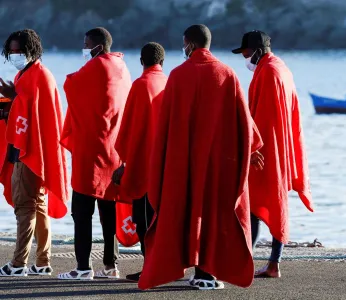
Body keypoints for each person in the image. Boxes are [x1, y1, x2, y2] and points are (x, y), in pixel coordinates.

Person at [138, 24, 264, 291]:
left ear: (190, 44)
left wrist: (161, 161)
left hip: (183, 162)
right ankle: (207, 272)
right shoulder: (228, 74)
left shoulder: (178, 76)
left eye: (184, 44)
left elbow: (165, 127)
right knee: (214, 213)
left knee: (184, 212)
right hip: (220, 162)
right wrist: (249, 151)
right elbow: (244, 121)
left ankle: (195, 269)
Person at [232, 30, 314, 278]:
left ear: (257, 50)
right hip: (280, 146)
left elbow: (264, 119)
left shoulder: (268, 72)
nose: (244, 57)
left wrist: (253, 147)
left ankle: (251, 262)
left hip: (267, 150)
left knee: (254, 203)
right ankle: (272, 262)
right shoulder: (280, 67)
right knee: (272, 202)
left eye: (246, 52)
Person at [57, 27, 131, 280]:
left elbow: (71, 84)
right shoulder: (122, 67)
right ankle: (111, 266)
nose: (84, 47)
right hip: (114, 151)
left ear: (98, 46)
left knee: (81, 212)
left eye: (87, 43)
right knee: (108, 210)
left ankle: (83, 267)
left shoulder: (97, 65)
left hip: (92, 151)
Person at [0, 29, 69, 276]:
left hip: (30, 151)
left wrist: (12, 97)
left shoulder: (36, 75)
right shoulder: (27, 73)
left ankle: (18, 264)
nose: (15, 54)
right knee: (37, 205)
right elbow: (29, 109)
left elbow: (32, 112)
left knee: (24, 207)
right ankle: (42, 261)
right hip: (30, 148)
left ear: (32, 49)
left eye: (19, 50)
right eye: (12, 51)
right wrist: (10, 101)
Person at [112, 42, 168, 282]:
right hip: (166, 164)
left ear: (141, 61)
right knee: (163, 219)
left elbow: (129, 129)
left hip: (144, 166)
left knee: (144, 222)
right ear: (162, 62)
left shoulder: (141, 84)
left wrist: (123, 163)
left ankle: (151, 268)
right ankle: (167, 266)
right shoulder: (168, 82)